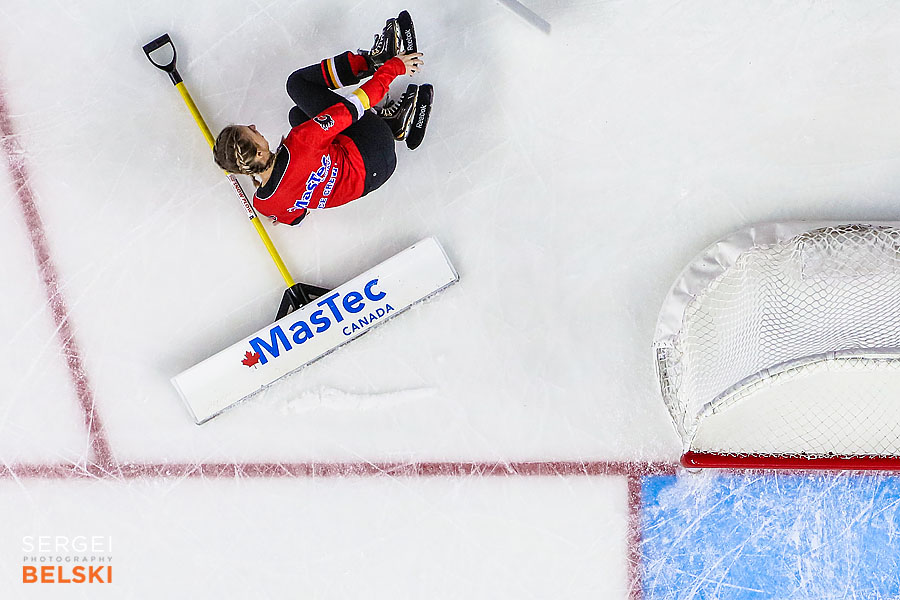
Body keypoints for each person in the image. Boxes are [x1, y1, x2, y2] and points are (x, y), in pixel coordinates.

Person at [212, 18, 425, 226]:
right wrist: (395, 67)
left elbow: (295, 217)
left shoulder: (265, 204)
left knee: (297, 116)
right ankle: (373, 62)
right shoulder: (303, 142)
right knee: (296, 85)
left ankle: (395, 125)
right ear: (258, 153)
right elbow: (356, 104)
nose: (254, 127)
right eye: (251, 131)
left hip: (374, 179)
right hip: (375, 145)